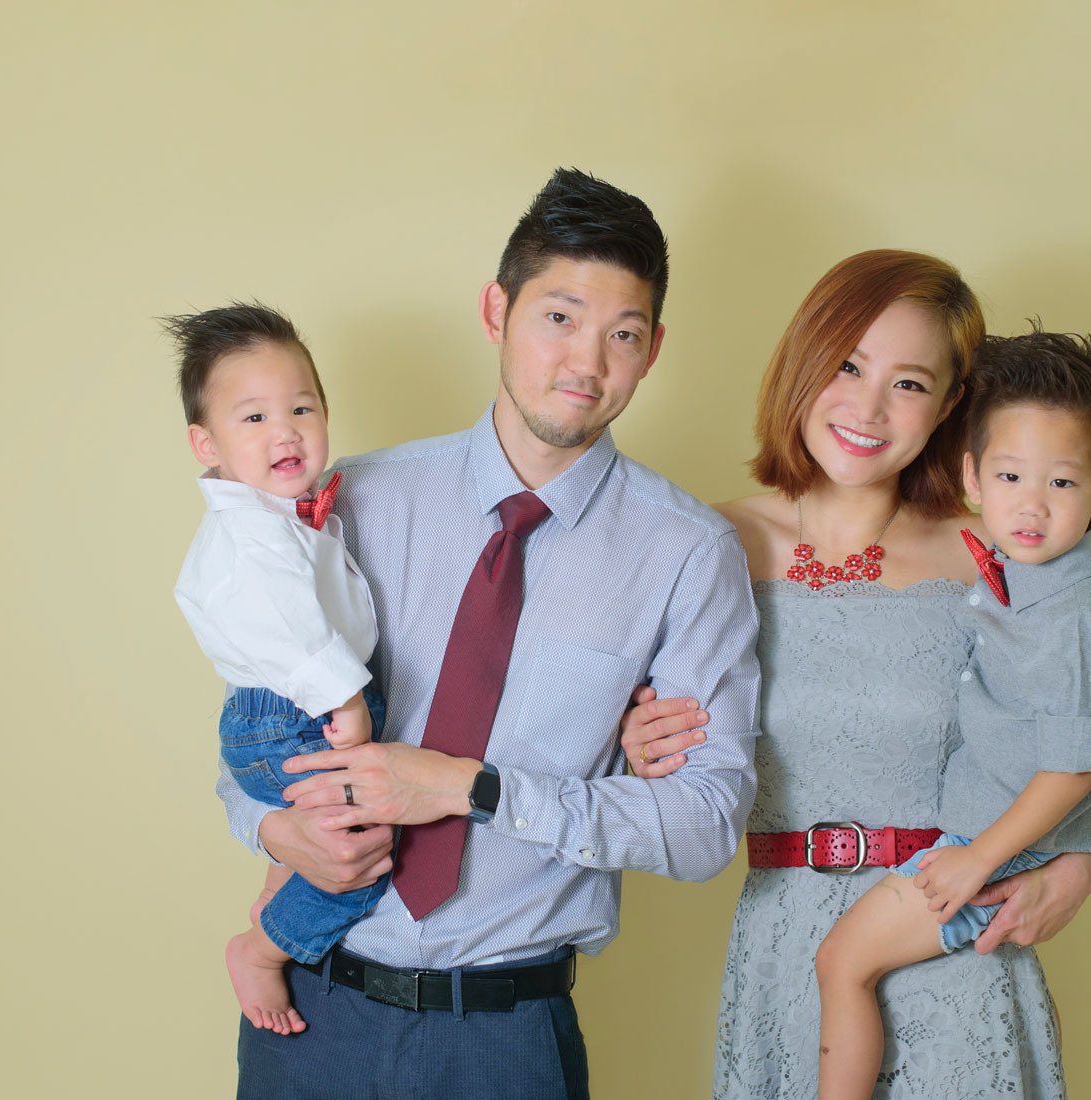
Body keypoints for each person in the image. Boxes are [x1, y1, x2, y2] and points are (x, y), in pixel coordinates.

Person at [214, 168, 761, 1100]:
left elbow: (709, 824)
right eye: (558, 317)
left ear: (654, 349)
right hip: (312, 1016)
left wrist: (472, 787)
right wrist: (272, 827)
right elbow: (253, 728)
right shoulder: (359, 498)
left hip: (506, 1039)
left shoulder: (686, 554)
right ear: (496, 309)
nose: (585, 363)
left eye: (622, 335)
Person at [621, 250, 1091, 1098]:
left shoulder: (998, 550)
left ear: (951, 404)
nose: (868, 407)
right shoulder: (704, 544)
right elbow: (610, 736)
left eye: (910, 383)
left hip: (951, 938)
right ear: (802, 363)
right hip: (782, 949)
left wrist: (1075, 875)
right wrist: (636, 739)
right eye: (846, 365)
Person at [812, 327, 1091, 1099]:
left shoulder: (1076, 616)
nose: (1031, 506)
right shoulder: (1045, 571)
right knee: (845, 965)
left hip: (993, 852)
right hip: (988, 838)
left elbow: (1082, 763)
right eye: (1010, 476)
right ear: (973, 477)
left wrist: (984, 858)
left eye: (1062, 485)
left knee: (842, 963)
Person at [171, 302, 389, 1037]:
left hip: (288, 709)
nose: (286, 431)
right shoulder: (254, 537)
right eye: (254, 419)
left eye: (302, 407)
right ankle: (263, 950)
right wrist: (348, 700)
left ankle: (275, 896)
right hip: (293, 714)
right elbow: (292, 634)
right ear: (207, 443)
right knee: (360, 851)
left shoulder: (282, 514)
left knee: (317, 840)